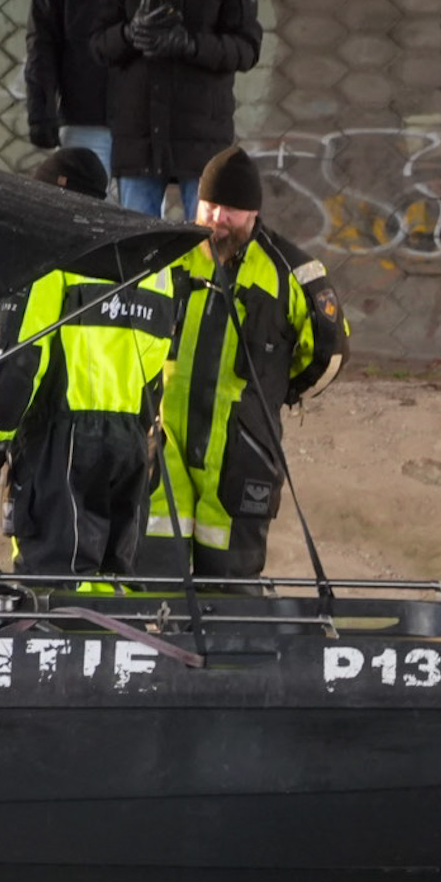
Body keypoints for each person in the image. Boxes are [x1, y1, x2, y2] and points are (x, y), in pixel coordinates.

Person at [143, 146, 349, 578]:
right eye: (209, 206)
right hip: (164, 443)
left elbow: (329, 354)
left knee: (230, 586)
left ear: (253, 212)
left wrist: (274, 393)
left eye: (230, 210)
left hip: (242, 451)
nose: (217, 218)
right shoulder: (166, 257)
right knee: (153, 574)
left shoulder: (292, 273)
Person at [0, 147, 178, 577]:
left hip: (62, 439)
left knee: (57, 576)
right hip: (130, 443)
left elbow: (21, 358)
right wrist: (145, 440)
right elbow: (157, 368)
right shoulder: (154, 266)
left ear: (58, 193)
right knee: (114, 574)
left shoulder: (53, 255)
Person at [88, 0, 262, 220]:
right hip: (138, 134)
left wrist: (192, 45)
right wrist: (129, 34)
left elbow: (247, 49)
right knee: (137, 242)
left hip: (202, 137)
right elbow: (98, 45)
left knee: (206, 239)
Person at [24, 0, 140, 184]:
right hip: (83, 118)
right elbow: (42, 40)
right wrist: (41, 112)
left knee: (141, 212)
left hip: (144, 125)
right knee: (77, 207)